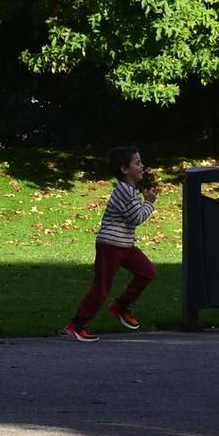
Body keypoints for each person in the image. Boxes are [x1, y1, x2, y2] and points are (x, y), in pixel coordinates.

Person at [65, 145, 159, 342]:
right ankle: (77, 324)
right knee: (102, 287)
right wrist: (149, 202)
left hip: (124, 245)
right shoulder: (125, 190)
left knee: (147, 272)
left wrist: (144, 200)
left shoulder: (131, 189)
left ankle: (121, 307)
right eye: (137, 163)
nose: (142, 166)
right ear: (125, 170)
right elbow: (136, 217)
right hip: (111, 245)